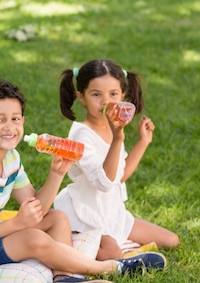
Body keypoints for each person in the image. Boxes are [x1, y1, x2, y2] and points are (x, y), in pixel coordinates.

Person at [0, 79, 167, 283]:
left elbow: (39, 209)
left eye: (15, 118)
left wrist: (56, 174)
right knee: (33, 238)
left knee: (57, 218)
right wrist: (17, 224)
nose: (9, 127)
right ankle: (111, 267)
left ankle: (65, 279)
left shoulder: (11, 158)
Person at [54, 59, 180, 260]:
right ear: (82, 97)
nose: (106, 102)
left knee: (172, 240)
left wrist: (143, 142)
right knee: (113, 253)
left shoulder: (112, 126)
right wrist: (118, 138)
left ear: (123, 96)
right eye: (96, 94)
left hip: (112, 213)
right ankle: (75, 238)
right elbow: (104, 183)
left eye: (113, 94)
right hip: (85, 215)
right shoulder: (81, 135)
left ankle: (111, 247)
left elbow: (118, 178)